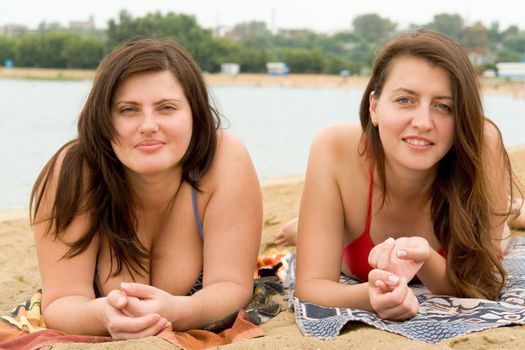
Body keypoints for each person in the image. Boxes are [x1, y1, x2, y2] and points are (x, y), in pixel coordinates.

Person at [31, 37, 262, 339]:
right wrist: (103, 315)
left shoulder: (223, 159)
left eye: (166, 107)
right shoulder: (74, 173)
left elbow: (232, 286)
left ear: (194, 114)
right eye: (128, 110)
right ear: (103, 118)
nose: (148, 125)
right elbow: (61, 302)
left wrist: (179, 311)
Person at [292, 29, 524, 321]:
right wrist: (372, 296)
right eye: (405, 100)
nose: (423, 122)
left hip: (481, 205)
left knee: (504, 220)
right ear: (374, 107)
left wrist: (425, 257)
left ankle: (511, 208)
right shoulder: (335, 147)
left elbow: (482, 286)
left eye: (443, 106)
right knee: (302, 230)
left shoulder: (481, 144)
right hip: (350, 203)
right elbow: (311, 286)